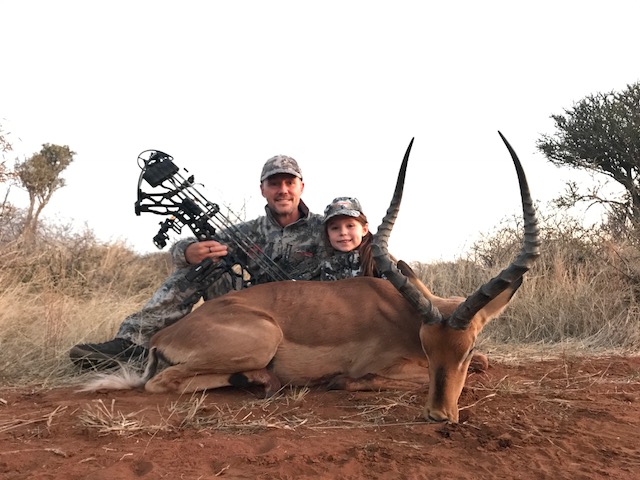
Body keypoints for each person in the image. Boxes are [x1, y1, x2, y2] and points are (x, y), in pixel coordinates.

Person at [70, 154, 326, 369]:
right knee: (207, 262)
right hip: (258, 314)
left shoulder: (326, 228)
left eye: (289, 183)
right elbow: (187, 248)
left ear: (301, 187)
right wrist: (188, 251)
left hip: (310, 315)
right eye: (274, 184)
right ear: (263, 190)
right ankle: (133, 343)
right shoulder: (250, 231)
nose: (283, 190)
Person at [318, 196, 380, 280]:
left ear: (364, 230)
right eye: (335, 228)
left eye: (350, 226)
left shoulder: (380, 262)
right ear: (328, 234)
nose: (343, 232)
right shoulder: (325, 266)